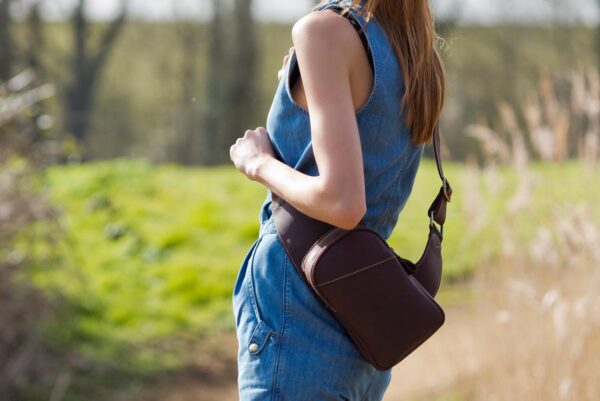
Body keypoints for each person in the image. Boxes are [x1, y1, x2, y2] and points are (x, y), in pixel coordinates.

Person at [229, 0, 446, 399]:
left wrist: (257, 163)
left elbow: (343, 202)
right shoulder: (416, 52)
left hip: (296, 311)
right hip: (359, 321)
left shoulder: (325, 32)